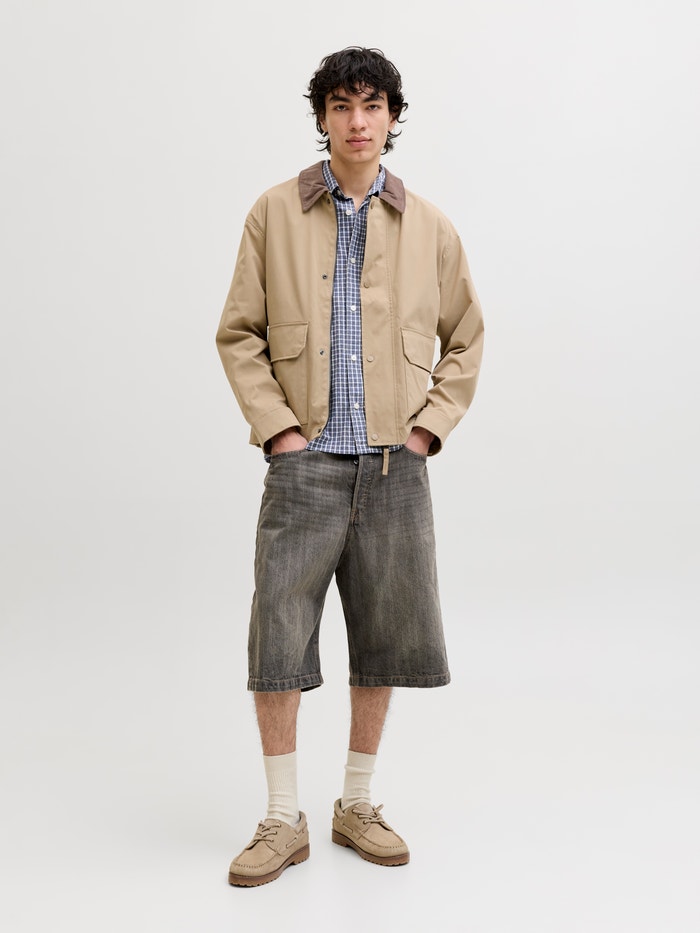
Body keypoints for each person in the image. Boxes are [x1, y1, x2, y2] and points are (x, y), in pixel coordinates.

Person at [216, 46, 484, 886]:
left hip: (394, 467)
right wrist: (279, 432)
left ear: (393, 117)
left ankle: (357, 802)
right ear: (322, 118)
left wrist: (427, 431)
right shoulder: (273, 212)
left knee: (385, 637)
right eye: (341, 106)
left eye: (372, 105)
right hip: (303, 467)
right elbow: (239, 333)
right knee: (278, 637)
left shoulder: (429, 226)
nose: (357, 121)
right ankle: (280, 816)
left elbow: (467, 338)